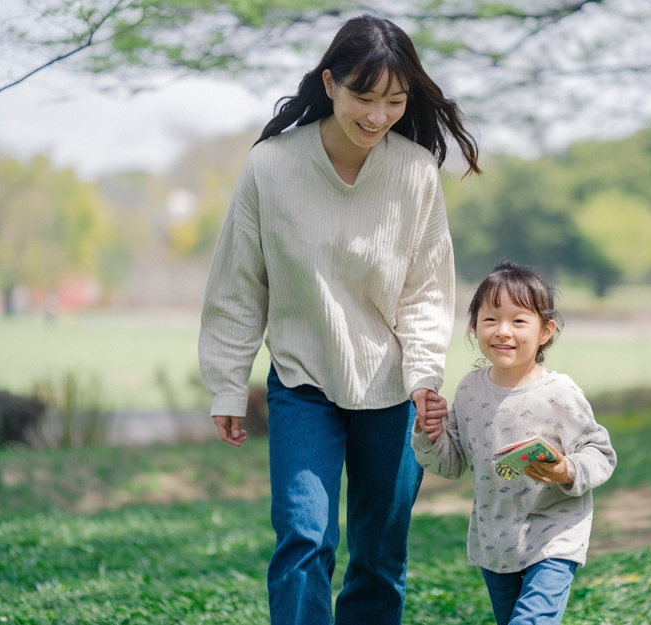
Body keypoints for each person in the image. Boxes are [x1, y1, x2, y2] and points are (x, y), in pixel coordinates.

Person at [198, 14, 480, 625]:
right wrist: (226, 379)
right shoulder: (270, 167)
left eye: (395, 102)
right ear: (330, 83)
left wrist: (426, 378)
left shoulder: (414, 173)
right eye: (364, 96)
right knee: (304, 541)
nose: (378, 116)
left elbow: (428, 291)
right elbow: (239, 282)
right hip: (303, 386)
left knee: (380, 556)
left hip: (394, 388)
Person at [412, 259, 616, 625]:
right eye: (490, 319)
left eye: (519, 321)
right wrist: (431, 434)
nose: (503, 331)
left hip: (555, 537)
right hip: (496, 541)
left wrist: (565, 469)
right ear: (473, 327)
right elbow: (453, 462)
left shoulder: (559, 392)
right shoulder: (470, 390)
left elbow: (599, 452)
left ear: (545, 331)